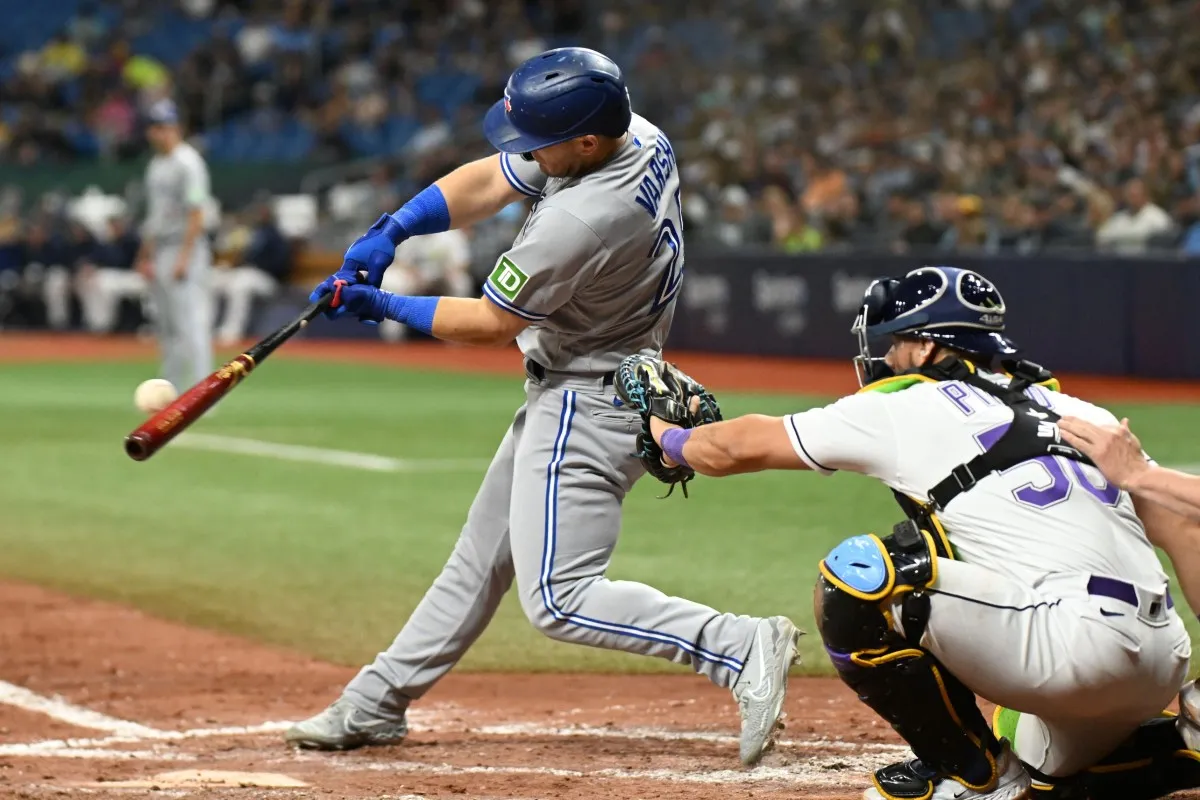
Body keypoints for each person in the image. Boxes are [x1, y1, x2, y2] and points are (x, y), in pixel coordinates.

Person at [282, 47, 800, 767]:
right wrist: (393, 228)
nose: (523, 151)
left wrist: (381, 302)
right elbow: (491, 179)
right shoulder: (636, 133)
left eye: (538, 140)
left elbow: (493, 324)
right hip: (604, 373)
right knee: (479, 560)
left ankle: (738, 645)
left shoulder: (585, 217)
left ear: (585, 141)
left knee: (557, 598)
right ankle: (376, 702)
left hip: (588, 397)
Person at [628, 266, 1199, 799]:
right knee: (1042, 759)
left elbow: (735, 448)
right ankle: (1182, 743)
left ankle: (975, 776)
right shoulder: (1086, 413)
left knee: (861, 574)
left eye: (895, 342)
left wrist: (669, 435)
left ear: (926, 346)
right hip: (1160, 659)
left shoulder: (910, 404)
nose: (886, 356)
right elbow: (1186, 532)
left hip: (1065, 652)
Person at [135, 98, 214, 388]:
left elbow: (196, 212)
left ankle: (204, 392)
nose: (158, 132)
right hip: (162, 248)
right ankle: (171, 389)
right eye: (154, 127)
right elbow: (154, 216)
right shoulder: (156, 165)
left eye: (164, 126)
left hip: (185, 247)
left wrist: (185, 256)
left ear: (176, 128)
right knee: (166, 325)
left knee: (191, 321)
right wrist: (144, 255)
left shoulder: (189, 162)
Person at [211, 202, 291, 345]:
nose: (259, 216)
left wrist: (254, 267)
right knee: (214, 279)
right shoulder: (254, 233)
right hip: (248, 274)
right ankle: (207, 327)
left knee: (240, 285)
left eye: (263, 213)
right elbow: (245, 258)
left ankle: (231, 332)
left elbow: (281, 265)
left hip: (269, 280)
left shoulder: (276, 236)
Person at [376, 228, 473, 342]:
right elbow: (400, 261)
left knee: (461, 282)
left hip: (443, 276)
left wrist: (445, 274)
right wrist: (415, 275)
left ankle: (456, 337)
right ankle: (393, 337)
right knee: (391, 281)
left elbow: (463, 263)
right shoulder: (408, 233)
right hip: (415, 277)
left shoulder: (452, 235)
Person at [77, 213, 144, 334]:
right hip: (111, 277)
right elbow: (94, 260)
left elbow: (134, 261)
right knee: (93, 282)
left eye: (117, 225)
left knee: (105, 283)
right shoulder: (105, 242)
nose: (114, 228)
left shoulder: (132, 240)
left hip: (131, 275)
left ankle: (108, 324)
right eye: (112, 226)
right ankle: (98, 324)